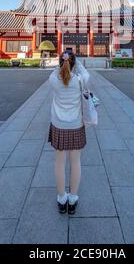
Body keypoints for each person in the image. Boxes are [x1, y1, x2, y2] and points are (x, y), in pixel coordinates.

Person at [48, 51, 89, 214]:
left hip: (58, 125)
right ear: (74, 64)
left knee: (59, 163)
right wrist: (76, 63)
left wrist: (60, 64)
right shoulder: (80, 80)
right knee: (75, 162)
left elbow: (54, 72)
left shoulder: (53, 80)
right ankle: (72, 199)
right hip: (76, 124)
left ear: (60, 63)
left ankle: (61, 198)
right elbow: (85, 72)